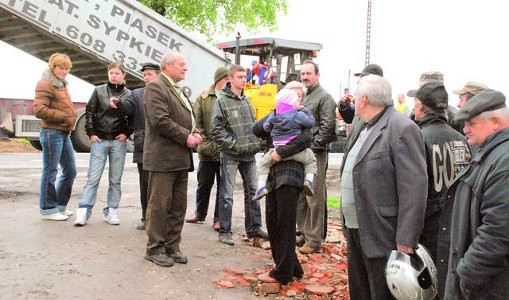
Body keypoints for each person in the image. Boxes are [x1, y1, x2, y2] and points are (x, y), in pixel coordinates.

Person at [340, 74, 427, 299]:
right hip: (356, 228)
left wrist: (406, 238)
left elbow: (414, 189)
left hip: (382, 235)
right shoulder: (363, 124)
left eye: (357, 95)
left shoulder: (402, 128)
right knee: (359, 293)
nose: (354, 99)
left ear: (364, 100)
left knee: (381, 294)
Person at [443, 89, 509, 299]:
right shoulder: (490, 153)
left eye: (472, 124)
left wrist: (466, 274)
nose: (465, 130)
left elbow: (498, 233)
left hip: (488, 286)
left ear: (496, 122)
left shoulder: (503, 162)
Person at [143, 50, 202, 267]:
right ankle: (155, 248)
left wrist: (196, 132)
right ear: (168, 66)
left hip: (179, 158)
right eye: (182, 64)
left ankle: (172, 246)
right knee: (160, 205)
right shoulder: (156, 87)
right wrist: (186, 136)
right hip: (162, 158)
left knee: (178, 205)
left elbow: (186, 117)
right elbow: (160, 120)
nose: (185, 68)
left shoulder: (176, 88)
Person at [252, 108, 313, 285]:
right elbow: (256, 129)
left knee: (285, 224)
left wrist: (282, 152)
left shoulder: (303, 118)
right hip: (273, 175)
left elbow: (305, 139)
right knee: (273, 223)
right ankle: (293, 267)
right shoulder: (278, 115)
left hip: (291, 174)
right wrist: (275, 112)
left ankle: (283, 272)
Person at [412, 81, 471, 263]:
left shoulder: (417, 138)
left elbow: (412, 191)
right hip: (459, 225)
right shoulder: (462, 139)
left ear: (420, 106)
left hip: (428, 229)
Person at [210, 65, 267, 246]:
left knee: (254, 192)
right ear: (231, 79)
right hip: (231, 155)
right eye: (240, 76)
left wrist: (257, 143)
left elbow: (253, 127)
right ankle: (225, 231)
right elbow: (216, 130)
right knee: (227, 194)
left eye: (245, 76)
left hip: (249, 155)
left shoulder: (247, 101)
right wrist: (235, 145)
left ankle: (254, 228)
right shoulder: (221, 101)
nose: (244, 80)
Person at [74, 62, 132, 226]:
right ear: (108, 74)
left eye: (117, 73)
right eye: (111, 73)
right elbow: (90, 112)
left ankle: (112, 210)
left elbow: (132, 116)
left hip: (118, 142)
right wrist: (91, 133)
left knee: (115, 179)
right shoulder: (98, 91)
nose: (114, 75)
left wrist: (126, 133)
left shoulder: (128, 94)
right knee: (93, 178)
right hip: (99, 141)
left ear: (123, 75)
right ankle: (84, 211)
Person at [109, 62, 161, 230]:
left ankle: (160, 218)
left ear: (158, 75)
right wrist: (119, 102)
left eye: (149, 74)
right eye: (144, 75)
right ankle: (146, 217)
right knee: (144, 183)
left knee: (160, 185)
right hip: (143, 144)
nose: (146, 78)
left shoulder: (165, 92)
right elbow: (127, 106)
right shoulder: (137, 94)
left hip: (162, 146)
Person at [296, 60, 337, 254]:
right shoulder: (304, 96)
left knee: (314, 197)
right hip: (302, 153)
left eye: (308, 74)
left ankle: (313, 241)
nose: (305, 77)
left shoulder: (325, 97)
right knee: (302, 196)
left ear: (317, 75)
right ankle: (304, 233)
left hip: (315, 154)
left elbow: (328, 127)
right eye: (302, 74)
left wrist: (311, 148)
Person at [33, 53, 77, 221]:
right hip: (51, 132)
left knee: (70, 171)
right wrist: (64, 117)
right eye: (61, 68)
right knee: (50, 171)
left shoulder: (61, 85)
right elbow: (39, 110)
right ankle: (48, 209)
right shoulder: (45, 84)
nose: (64, 71)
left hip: (64, 133)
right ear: (52, 67)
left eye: (67, 68)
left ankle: (60, 206)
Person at [185, 67, 229, 230]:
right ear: (219, 80)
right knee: (204, 183)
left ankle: (219, 219)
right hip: (208, 149)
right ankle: (200, 213)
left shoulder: (231, 97)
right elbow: (197, 121)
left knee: (223, 186)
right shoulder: (203, 98)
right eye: (227, 79)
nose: (230, 82)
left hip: (225, 149)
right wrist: (203, 139)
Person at [253, 88, 316, 201]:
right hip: (297, 154)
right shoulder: (298, 115)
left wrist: (274, 122)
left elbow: (265, 127)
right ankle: (309, 181)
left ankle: (260, 187)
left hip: (275, 150)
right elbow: (311, 122)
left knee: (263, 164)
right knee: (310, 159)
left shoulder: (274, 115)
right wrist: (303, 109)